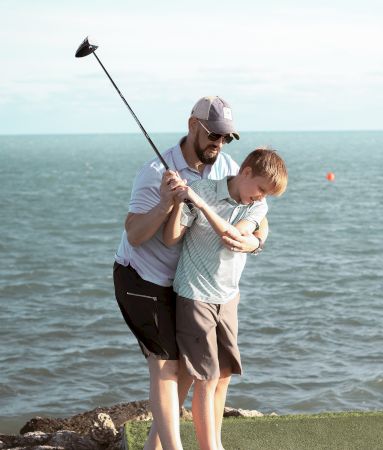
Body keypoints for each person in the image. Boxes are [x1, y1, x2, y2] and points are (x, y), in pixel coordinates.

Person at [113, 96, 268, 450]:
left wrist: (256, 241)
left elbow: (259, 211)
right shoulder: (155, 172)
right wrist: (167, 202)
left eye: (226, 137)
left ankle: (155, 446)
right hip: (144, 279)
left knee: (187, 369)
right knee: (167, 366)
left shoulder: (228, 166)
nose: (219, 142)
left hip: (190, 284)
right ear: (192, 125)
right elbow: (135, 234)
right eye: (213, 134)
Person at [162, 148, 287, 450]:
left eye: (266, 194)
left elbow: (233, 238)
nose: (260, 197)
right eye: (260, 188)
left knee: (224, 375)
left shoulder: (256, 207)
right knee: (206, 378)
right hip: (195, 295)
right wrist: (181, 202)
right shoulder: (202, 189)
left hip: (228, 296)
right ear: (245, 172)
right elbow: (170, 239)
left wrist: (202, 206)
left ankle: (213, 442)